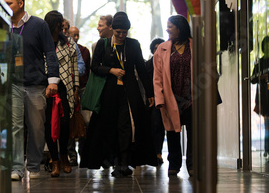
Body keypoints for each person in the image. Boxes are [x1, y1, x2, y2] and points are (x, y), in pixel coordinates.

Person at [81, 13, 157, 176]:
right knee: (108, 125)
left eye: (125, 32)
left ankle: (124, 162)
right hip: (108, 91)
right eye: (118, 32)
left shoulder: (133, 45)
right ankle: (113, 160)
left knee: (126, 126)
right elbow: (94, 67)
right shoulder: (103, 44)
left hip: (129, 92)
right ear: (112, 29)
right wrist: (111, 70)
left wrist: (150, 93)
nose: (122, 36)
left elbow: (141, 69)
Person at [3, 0, 59, 180]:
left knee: (36, 128)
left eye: (9, 3)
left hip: (36, 84)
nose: (6, 6)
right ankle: (17, 168)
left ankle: (33, 166)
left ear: (21, 4)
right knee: (15, 127)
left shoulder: (38, 25)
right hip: (13, 84)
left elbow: (50, 53)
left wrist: (53, 80)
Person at [153, 15, 194, 176]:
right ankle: (174, 165)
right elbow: (157, 77)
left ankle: (192, 164)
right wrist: (159, 98)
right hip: (171, 97)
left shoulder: (196, 46)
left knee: (194, 133)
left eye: (170, 26)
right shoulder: (162, 48)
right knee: (172, 132)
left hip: (192, 97)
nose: (167, 29)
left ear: (180, 28)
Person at [43, 11, 79, 177]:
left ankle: (64, 154)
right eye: (60, 26)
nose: (63, 29)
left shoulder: (69, 42)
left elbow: (74, 66)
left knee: (64, 123)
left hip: (65, 86)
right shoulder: (42, 41)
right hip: (45, 86)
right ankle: (54, 160)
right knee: (49, 124)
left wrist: (76, 87)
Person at [68, 26, 91, 166]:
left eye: (77, 35)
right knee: (70, 121)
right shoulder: (64, 49)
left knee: (85, 122)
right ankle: (72, 155)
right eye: (73, 35)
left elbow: (86, 71)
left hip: (83, 88)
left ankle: (84, 152)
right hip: (69, 89)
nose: (75, 38)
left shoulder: (84, 51)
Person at [146, 37, 166, 165]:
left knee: (162, 127)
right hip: (153, 100)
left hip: (167, 99)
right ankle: (154, 153)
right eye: (155, 49)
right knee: (155, 125)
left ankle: (158, 152)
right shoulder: (148, 64)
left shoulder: (169, 63)